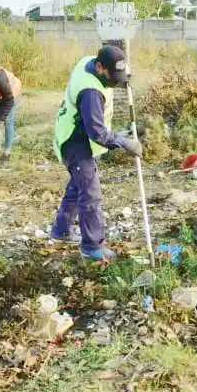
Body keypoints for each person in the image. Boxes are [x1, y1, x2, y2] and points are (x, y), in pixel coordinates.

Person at [50, 44, 143, 261]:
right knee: (90, 194)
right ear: (100, 67)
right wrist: (123, 142)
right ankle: (92, 247)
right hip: (75, 141)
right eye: (113, 77)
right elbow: (97, 133)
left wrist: (123, 77)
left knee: (78, 185)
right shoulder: (90, 92)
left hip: (72, 130)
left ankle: (61, 230)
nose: (115, 82)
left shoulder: (89, 61)